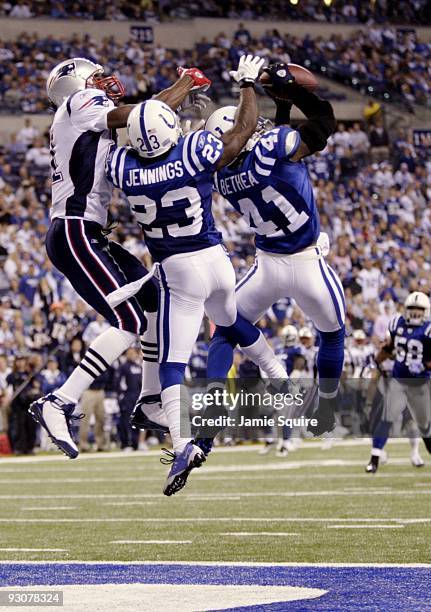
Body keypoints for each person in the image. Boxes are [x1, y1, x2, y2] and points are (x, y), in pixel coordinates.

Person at [106, 55, 290, 495]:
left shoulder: (122, 168)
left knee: (171, 364)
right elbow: (242, 131)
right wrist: (246, 86)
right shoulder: (195, 150)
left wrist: (166, 102)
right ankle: (273, 366)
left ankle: (183, 442)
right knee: (228, 322)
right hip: (216, 260)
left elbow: (131, 129)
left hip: (178, 271)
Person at [29, 57, 210, 459]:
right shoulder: (78, 104)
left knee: (152, 305)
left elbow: (147, 117)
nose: (103, 81)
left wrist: (177, 92)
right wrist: (184, 84)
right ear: (76, 83)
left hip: (87, 231)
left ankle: (149, 401)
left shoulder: (88, 117)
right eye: (94, 76)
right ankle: (58, 401)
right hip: (75, 229)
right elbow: (144, 114)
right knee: (127, 320)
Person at [205, 62, 345, 436]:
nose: (253, 124)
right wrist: (295, 93)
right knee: (332, 333)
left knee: (224, 330)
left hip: (267, 266)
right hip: (307, 263)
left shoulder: (221, 175)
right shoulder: (271, 147)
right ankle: (327, 407)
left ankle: (215, 397)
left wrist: (278, 107)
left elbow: (261, 141)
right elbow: (323, 121)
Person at [365, 292, 431, 473]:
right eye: (412, 309)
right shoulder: (397, 324)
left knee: (424, 426)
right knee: (387, 416)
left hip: (420, 385)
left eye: (419, 309)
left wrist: (425, 365)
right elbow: (389, 348)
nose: (416, 313)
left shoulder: (428, 329)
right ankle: (374, 459)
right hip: (399, 380)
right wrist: (376, 362)